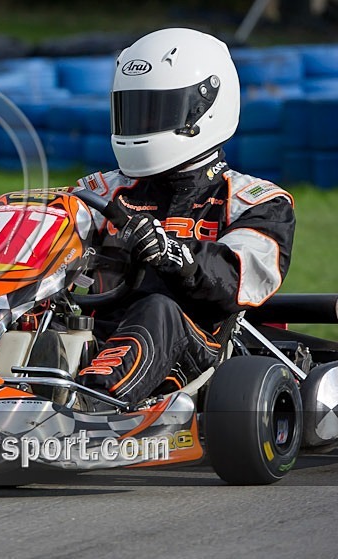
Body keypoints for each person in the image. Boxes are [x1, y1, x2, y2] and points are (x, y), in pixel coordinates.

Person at [74, 28, 296, 405]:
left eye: (157, 110)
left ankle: (90, 403)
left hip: (200, 351)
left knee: (158, 309)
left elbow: (237, 279)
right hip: (96, 334)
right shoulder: (98, 192)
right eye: (134, 110)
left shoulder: (254, 200)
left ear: (205, 108)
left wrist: (179, 256)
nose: (142, 123)